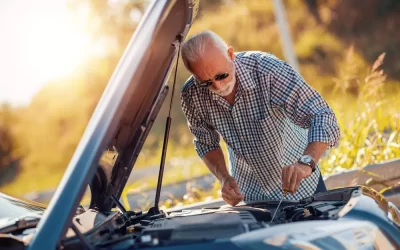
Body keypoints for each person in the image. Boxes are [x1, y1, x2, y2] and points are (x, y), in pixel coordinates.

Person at [179, 30, 340, 206]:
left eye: (221, 76)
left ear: (231, 55)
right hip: (249, 193)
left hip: (302, 184)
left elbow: (322, 114)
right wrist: (224, 178)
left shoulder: (268, 71)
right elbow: (206, 142)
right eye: (206, 82)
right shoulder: (192, 94)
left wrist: (306, 163)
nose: (217, 86)